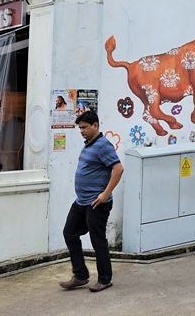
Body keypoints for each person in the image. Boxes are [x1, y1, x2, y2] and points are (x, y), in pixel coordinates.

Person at [59, 110, 124, 292]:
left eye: (85, 127)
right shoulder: (89, 145)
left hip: (97, 203)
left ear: (95, 125)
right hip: (82, 202)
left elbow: (118, 169)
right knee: (69, 233)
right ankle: (80, 275)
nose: (82, 131)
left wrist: (105, 194)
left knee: (98, 240)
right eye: (80, 128)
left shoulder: (103, 145)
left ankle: (105, 279)